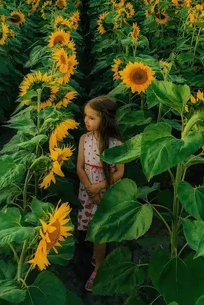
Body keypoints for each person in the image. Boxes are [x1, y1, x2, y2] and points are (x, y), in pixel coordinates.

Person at [76, 95, 124, 292]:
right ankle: (98, 254)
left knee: (99, 230)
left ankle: (99, 266)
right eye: (85, 116)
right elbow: (79, 167)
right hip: (87, 192)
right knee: (90, 227)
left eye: (91, 118)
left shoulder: (117, 145)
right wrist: (89, 188)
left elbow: (120, 172)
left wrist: (99, 188)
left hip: (105, 194)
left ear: (105, 119)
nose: (86, 121)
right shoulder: (84, 139)